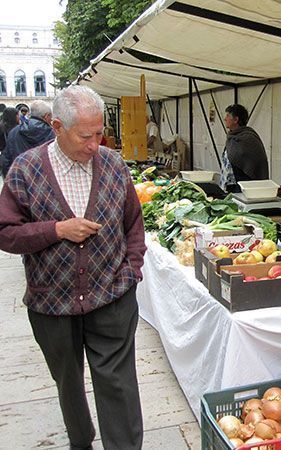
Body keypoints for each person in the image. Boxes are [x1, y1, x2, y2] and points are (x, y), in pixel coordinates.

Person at [0, 85, 146, 450]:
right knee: (67, 381)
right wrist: (56, 230)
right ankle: (81, 439)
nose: (94, 144)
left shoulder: (113, 165)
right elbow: (6, 232)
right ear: (56, 126)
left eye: (99, 133)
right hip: (52, 303)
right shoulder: (26, 169)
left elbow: (133, 223)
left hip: (112, 296)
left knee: (119, 384)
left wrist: (131, 271)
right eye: (85, 135)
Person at [219, 104, 269, 192]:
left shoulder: (248, 137)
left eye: (227, 116)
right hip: (230, 184)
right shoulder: (232, 136)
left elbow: (254, 163)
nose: (225, 119)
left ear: (236, 119)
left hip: (243, 185)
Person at [2, 100, 55, 176]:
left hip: (19, 178)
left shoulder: (14, 132)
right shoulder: (52, 133)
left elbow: (6, 160)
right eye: (51, 116)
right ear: (46, 116)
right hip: (45, 181)